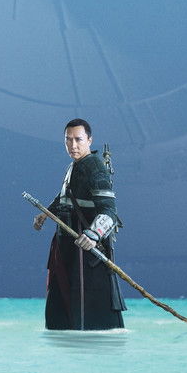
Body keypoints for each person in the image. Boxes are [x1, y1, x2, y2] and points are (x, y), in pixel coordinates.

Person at [33, 119, 125, 330]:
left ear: (89, 140)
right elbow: (65, 197)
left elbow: (109, 211)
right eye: (68, 140)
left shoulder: (95, 168)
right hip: (68, 245)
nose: (73, 145)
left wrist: (94, 234)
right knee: (63, 300)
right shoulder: (74, 166)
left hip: (86, 250)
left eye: (78, 139)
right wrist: (46, 214)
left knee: (88, 307)